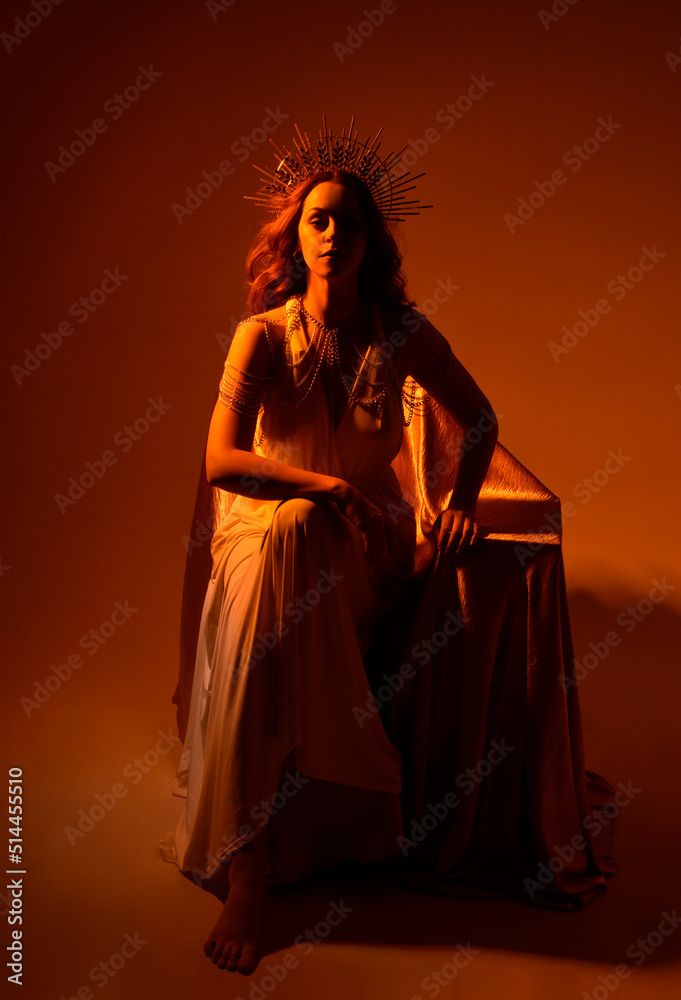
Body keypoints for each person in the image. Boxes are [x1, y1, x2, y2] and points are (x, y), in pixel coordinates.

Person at [159, 120, 615, 976]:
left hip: (364, 557)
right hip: (266, 537)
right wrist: (324, 489)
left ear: (373, 240)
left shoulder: (400, 335)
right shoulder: (260, 335)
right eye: (317, 221)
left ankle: (257, 858)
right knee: (289, 533)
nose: (332, 236)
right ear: (295, 237)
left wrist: (458, 504)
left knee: (301, 544)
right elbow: (220, 462)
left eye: (349, 222)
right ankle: (255, 860)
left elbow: (478, 420)